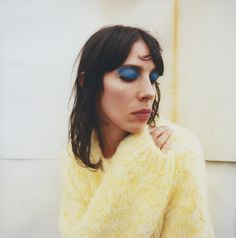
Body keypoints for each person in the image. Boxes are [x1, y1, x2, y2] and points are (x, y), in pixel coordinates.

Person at [59, 25, 214, 238]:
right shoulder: (77, 153)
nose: (149, 93)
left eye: (152, 79)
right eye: (129, 76)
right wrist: (135, 163)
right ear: (87, 83)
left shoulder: (178, 149)